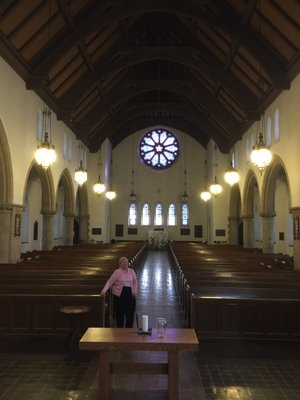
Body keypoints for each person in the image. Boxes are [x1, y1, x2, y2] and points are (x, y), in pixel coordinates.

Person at [100, 256, 137, 328]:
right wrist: (104, 290)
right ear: (120, 264)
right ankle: (120, 331)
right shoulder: (117, 272)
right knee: (120, 313)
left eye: (126, 262)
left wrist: (135, 291)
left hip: (130, 294)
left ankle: (129, 331)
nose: (125, 263)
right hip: (119, 295)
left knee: (130, 313)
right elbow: (110, 281)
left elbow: (135, 282)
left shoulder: (132, 271)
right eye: (123, 262)